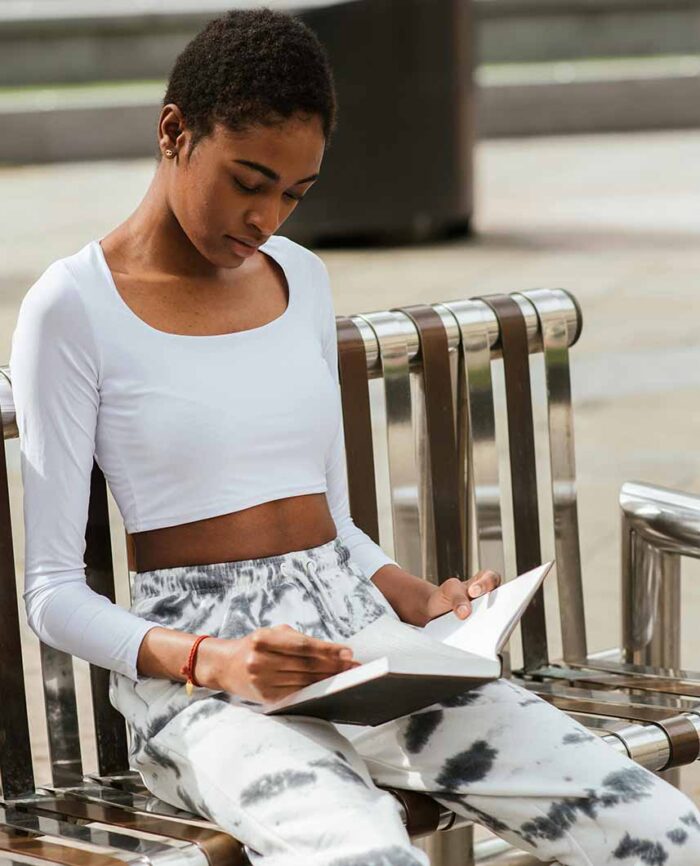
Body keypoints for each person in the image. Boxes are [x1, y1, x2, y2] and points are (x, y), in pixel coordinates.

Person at [9, 8, 700, 866]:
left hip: (365, 647)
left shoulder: (300, 277)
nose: (267, 217)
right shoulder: (72, 308)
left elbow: (328, 516)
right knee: (362, 855)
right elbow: (47, 592)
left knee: (656, 829)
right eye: (248, 180)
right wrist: (213, 660)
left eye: (293, 194)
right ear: (174, 132)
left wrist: (417, 596)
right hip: (206, 685)